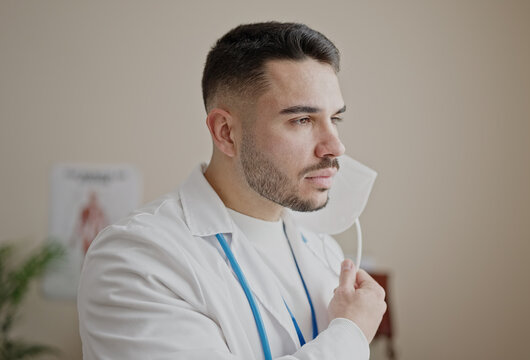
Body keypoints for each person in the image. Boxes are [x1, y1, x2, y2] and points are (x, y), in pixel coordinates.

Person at [78, 22, 386, 359]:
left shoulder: (323, 251)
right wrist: (350, 334)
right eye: (302, 120)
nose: (335, 146)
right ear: (226, 132)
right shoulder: (136, 259)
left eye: (335, 119)